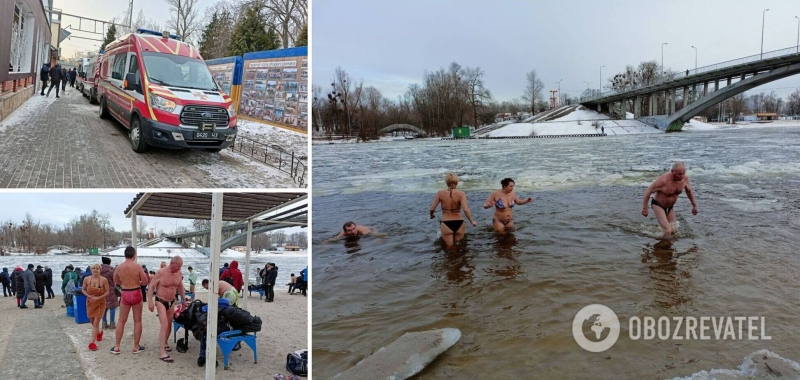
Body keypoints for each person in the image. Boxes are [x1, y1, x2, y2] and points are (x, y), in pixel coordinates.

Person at [642, 161, 698, 237]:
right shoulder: (663, 181)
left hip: (670, 207)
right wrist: (645, 208)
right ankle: (661, 248)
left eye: (683, 173)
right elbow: (648, 191)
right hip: (658, 205)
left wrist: (694, 205)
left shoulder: (685, 179)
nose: (681, 176)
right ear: (672, 172)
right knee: (668, 231)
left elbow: (689, 191)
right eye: (679, 174)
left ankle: (665, 243)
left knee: (674, 230)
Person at [111, 247, 150, 355]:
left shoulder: (119, 267)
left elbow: (115, 280)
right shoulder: (137, 267)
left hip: (125, 293)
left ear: (125, 255)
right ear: (134, 255)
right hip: (136, 292)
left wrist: (123, 283)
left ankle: (117, 347)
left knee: (121, 321)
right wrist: (138, 282)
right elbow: (145, 281)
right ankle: (136, 347)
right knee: (137, 320)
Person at [148, 256, 186, 363]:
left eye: (180, 267)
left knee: (169, 324)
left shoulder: (179, 273)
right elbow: (151, 287)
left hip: (171, 301)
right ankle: (162, 352)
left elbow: (181, 287)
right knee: (164, 324)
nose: (179, 268)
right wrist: (150, 301)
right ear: (172, 263)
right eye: (178, 266)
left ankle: (165, 343)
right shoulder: (161, 273)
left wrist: (183, 299)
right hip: (161, 300)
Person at [429, 173, 477, 246]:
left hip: (446, 223)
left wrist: (431, 215)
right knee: (459, 247)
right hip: (459, 222)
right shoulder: (461, 194)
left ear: (446, 182)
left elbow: (432, 209)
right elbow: (466, 209)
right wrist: (472, 221)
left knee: (450, 250)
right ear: (457, 182)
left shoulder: (440, 193)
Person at [82, 264, 109, 351]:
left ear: (100, 270)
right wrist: (89, 296)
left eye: (97, 269)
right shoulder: (86, 279)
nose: (95, 270)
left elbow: (107, 292)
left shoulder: (104, 280)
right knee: (92, 321)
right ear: (91, 270)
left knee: (96, 322)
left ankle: (92, 342)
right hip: (90, 302)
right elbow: (83, 289)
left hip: (100, 302)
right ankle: (99, 333)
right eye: (93, 268)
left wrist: (98, 298)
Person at [101, 257, 118, 330]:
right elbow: (115, 280)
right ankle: (112, 324)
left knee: (104, 307)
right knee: (112, 307)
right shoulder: (110, 272)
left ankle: (104, 324)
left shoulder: (99, 271)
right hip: (111, 291)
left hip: (101, 291)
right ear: (109, 263)